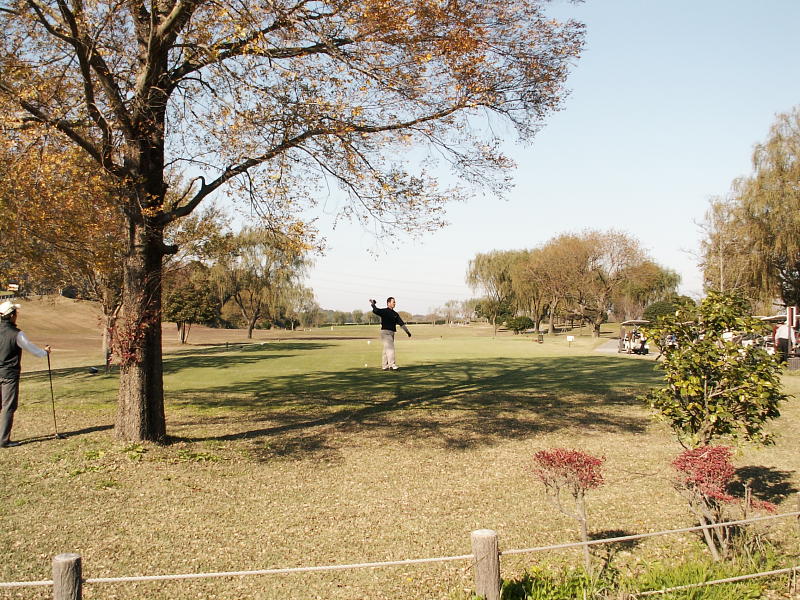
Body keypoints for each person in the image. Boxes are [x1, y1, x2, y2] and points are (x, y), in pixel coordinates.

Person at [0, 301, 51, 448]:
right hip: (9, 375)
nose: (17, 315)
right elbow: (33, 350)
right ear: (11, 316)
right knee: (8, 406)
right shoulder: (17, 334)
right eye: (15, 313)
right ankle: (3, 440)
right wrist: (45, 352)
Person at [369, 297, 411, 370]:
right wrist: (373, 304)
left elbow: (401, 324)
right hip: (385, 333)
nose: (395, 303)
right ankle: (392, 365)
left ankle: (384, 366)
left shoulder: (395, 314)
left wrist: (407, 332)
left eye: (395, 302)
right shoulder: (384, 311)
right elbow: (376, 310)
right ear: (388, 303)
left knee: (386, 349)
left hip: (391, 333)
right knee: (390, 348)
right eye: (393, 302)